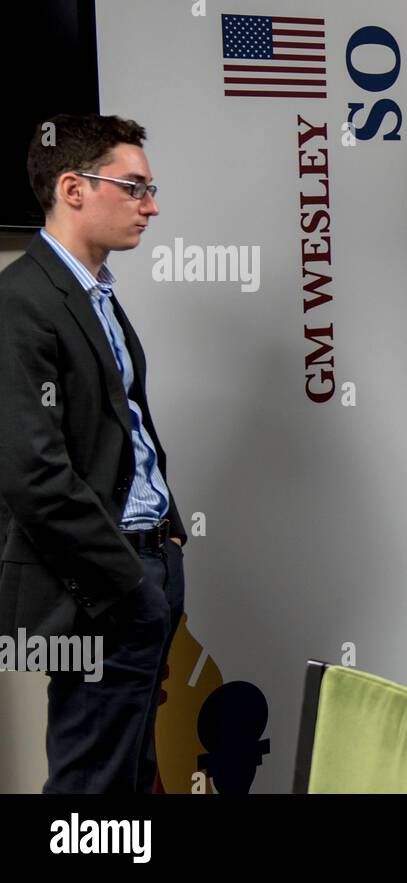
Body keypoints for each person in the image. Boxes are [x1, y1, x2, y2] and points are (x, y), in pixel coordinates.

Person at [0, 113, 187, 793]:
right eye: (135, 187)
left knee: (132, 774)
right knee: (90, 786)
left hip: (148, 561)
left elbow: (124, 431)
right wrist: (128, 583)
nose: (152, 204)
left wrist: (164, 544)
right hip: (100, 586)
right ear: (74, 189)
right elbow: (32, 474)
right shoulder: (21, 301)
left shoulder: (97, 294)